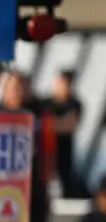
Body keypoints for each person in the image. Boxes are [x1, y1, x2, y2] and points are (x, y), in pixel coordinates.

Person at [0, 70, 55, 222]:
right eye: (13, 86)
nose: (18, 91)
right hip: (2, 194)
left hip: (33, 192)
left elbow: (49, 153)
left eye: (22, 86)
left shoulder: (40, 116)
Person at [46, 70, 84, 198]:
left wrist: (49, 124)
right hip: (47, 149)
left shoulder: (74, 104)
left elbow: (70, 126)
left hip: (64, 150)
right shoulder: (46, 103)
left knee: (66, 179)